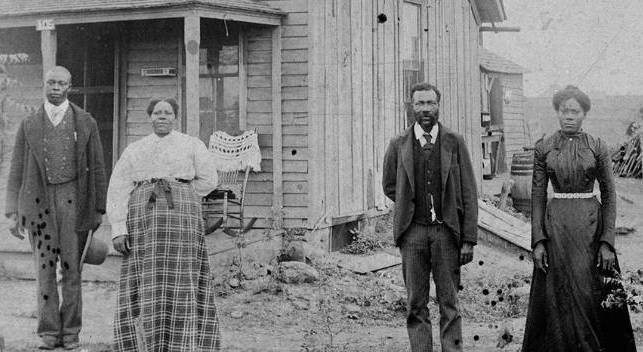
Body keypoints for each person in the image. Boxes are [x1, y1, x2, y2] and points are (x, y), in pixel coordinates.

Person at [522, 85, 636, 352]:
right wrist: (538, 240)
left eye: (575, 111)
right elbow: (537, 195)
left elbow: (609, 194)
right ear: (557, 113)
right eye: (564, 111)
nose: (568, 116)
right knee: (556, 295)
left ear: (584, 114)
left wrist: (608, 242)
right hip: (556, 229)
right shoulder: (544, 147)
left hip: (591, 228)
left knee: (590, 294)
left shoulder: (597, 146)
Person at [5, 66, 107, 350]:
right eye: (51, 82)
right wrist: (12, 211)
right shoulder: (29, 124)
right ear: (44, 85)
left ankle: (71, 333)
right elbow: (15, 170)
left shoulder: (85, 122)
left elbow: (98, 166)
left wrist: (98, 208)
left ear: (69, 87)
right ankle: (49, 333)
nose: (55, 88)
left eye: (61, 83)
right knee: (45, 270)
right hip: (39, 203)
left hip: (74, 201)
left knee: (72, 269)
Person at [107, 97, 221, 351]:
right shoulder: (135, 149)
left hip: (182, 220)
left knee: (183, 277)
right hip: (143, 219)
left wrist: (184, 194)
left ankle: (185, 342)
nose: (162, 116)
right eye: (157, 112)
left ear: (175, 117)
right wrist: (118, 228)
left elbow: (209, 180)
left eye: (167, 112)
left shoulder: (191, 144)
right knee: (145, 277)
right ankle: (142, 342)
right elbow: (118, 188)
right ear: (149, 117)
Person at [382, 82, 478, 352]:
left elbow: (469, 192)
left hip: (447, 233)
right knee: (416, 303)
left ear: (438, 106)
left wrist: (468, 238)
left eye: (430, 103)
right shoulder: (398, 144)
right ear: (411, 107)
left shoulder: (454, 142)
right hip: (412, 234)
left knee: (449, 302)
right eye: (420, 104)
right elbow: (390, 185)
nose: (425, 109)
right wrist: (409, 208)